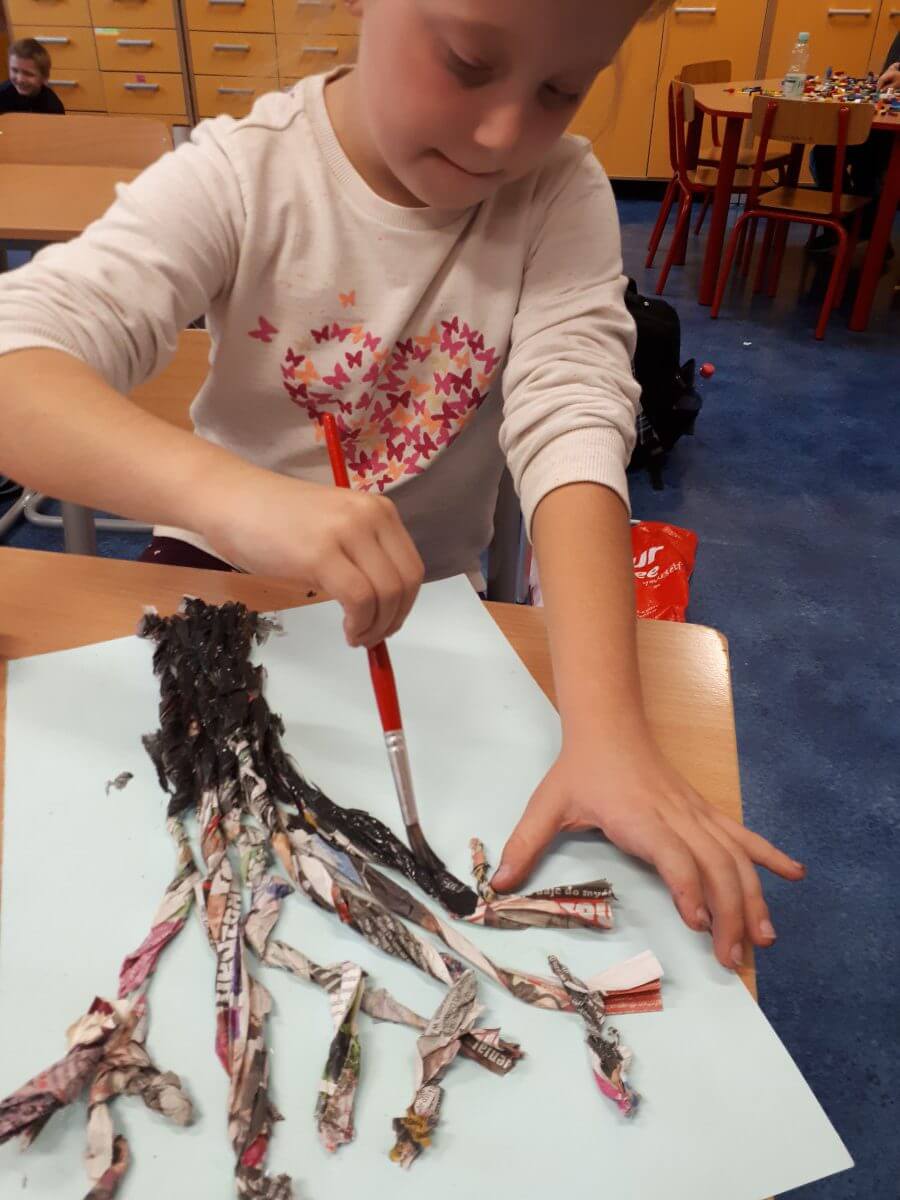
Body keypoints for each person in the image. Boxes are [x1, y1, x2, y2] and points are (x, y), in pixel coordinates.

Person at [0, 0, 805, 971]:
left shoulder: (558, 192)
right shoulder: (243, 175)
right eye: (466, 61)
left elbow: (574, 418)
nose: (504, 133)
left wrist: (610, 735)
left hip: (427, 615)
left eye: (561, 89)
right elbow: (15, 361)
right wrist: (241, 499)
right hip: (218, 579)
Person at [807, 32, 900, 253]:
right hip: (882, 120)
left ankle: (864, 228)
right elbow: (888, 78)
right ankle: (854, 225)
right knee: (825, 153)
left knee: (868, 162)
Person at [0, 38, 65, 114]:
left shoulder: (53, 106)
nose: (20, 79)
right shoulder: (2, 95)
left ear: (44, 78)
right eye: (15, 70)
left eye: (28, 74)